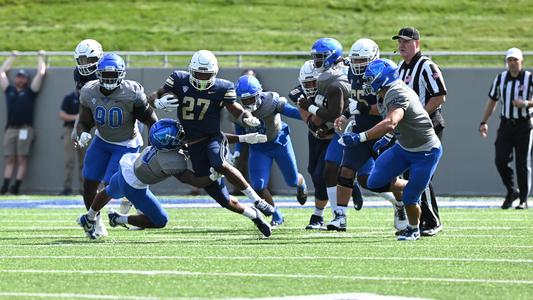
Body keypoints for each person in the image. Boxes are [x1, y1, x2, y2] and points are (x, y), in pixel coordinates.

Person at [77, 118, 272, 239]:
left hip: (129, 166)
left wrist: (244, 139)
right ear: (171, 144)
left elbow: (213, 137)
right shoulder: (172, 160)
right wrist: (214, 174)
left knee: (110, 190)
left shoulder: (166, 145)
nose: (182, 136)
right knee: (160, 220)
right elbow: (194, 181)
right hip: (136, 185)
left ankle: (90, 217)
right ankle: (119, 218)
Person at [147, 50, 275, 217]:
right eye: (198, 74)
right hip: (192, 143)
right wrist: (157, 102)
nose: (201, 79)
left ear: (214, 73)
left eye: (206, 75)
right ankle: (255, 217)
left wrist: (246, 116)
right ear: (191, 70)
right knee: (220, 197)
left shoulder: (223, 87)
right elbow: (154, 95)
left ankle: (257, 200)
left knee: (219, 163)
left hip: (213, 138)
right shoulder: (178, 78)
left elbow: (233, 107)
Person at [342, 58, 442, 241]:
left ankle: (413, 229)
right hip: (403, 147)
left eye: (371, 78)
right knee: (373, 181)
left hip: (425, 152)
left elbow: (391, 122)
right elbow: (398, 123)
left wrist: (360, 137)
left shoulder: (396, 92)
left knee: (410, 198)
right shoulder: (385, 93)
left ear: (383, 78)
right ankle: (413, 188)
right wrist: (388, 137)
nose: (368, 82)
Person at [72, 53, 158, 238]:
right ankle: (95, 222)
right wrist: (83, 132)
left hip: (126, 143)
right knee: (89, 181)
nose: (110, 79)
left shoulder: (132, 92)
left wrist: (152, 148)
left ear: (122, 74)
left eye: (114, 75)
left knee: (113, 186)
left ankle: (129, 195)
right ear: (98, 74)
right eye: (106, 74)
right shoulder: (89, 90)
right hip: (102, 141)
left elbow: (152, 121)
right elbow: (84, 121)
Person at [332, 38, 407, 232]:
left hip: (383, 131)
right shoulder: (351, 72)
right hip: (360, 129)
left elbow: (386, 108)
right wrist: (346, 114)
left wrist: (362, 108)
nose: (357, 65)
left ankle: (401, 206)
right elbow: (357, 102)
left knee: (390, 178)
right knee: (346, 170)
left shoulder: (381, 73)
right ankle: (340, 216)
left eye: (362, 61)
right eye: (355, 61)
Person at [232, 75, 307, 227]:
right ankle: (276, 214)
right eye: (244, 100)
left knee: (292, 181)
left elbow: (293, 112)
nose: (247, 103)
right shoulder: (237, 110)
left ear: (259, 93)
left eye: (251, 99)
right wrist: (238, 151)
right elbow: (240, 132)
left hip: (280, 143)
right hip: (259, 148)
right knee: (259, 185)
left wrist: (313, 117)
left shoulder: (271, 101)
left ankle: (301, 183)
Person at [393, 27, 447, 236]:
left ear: (417, 43)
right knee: (411, 176)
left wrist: (420, 117)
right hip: (409, 129)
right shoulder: (400, 67)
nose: (402, 45)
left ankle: (431, 221)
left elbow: (440, 95)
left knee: (419, 176)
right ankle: (418, 222)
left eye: (406, 41)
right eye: (400, 41)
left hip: (428, 125)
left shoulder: (426, 66)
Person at [296, 38, 349, 230]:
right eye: (307, 84)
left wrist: (312, 110)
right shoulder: (309, 86)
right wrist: (313, 121)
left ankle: (328, 214)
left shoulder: (332, 79)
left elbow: (330, 113)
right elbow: (312, 121)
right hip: (326, 133)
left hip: (343, 129)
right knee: (316, 171)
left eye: (313, 83)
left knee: (365, 176)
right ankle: (331, 215)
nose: (310, 87)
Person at [479, 47, 532, 210]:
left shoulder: (529, 78)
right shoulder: (501, 79)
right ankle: (511, 190)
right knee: (500, 160)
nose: (512, 63)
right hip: (506, 125)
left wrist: (525, 103)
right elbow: (492, 101)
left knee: (522, 163)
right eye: (509, 60)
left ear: (521, 61)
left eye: (515, 60)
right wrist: (483, 122)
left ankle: (523, 199)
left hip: (524, 125)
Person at [0, 50, 47, 195]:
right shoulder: (9, 91)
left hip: (25, 129)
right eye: (18, 76)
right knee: (9, 158)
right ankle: (5, 186)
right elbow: (1, 72)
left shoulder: (30, 92)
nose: (20, 79)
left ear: (26, 80)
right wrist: (12, 57)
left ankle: (16, 187)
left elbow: (41, 73)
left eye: (23, 77)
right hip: (10, 129)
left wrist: (40, 56)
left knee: (22, 158)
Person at [58, 86, 84, 195]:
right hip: (70, 129)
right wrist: (77, 117)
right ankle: (67, 187)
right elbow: (62, 114)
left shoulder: (89, 97)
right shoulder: (69, 97)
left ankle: (84, 188)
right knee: (69, 160)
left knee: (84, 161)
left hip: (84, 130)